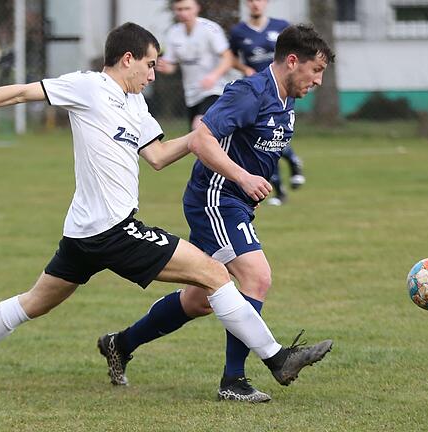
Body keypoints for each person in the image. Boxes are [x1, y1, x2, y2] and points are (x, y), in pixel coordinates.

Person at [0, 22, 333, 393]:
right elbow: (23, 91)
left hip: (83, 233)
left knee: (34, 303)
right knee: (216, 275)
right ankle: (276, 359)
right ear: (127, 59)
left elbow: (156, 156)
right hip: (112, 231)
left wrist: (201, 137)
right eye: (149, 65)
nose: (152, 75)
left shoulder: (136, 104)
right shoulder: (88, 86)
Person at [98, 24, 333, 403]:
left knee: (200, 299)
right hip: (215, 199)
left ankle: (120, 344)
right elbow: (202, 136)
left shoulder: (286, 98)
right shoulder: (250, 92)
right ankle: (234, 381)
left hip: (236, 202)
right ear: (293, 61)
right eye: (316, 70)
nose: (319, 81)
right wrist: (243, 176)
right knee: (256, 277)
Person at [230, 0, 305, 206]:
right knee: (261, 141)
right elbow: (230, 57)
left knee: (273, 138)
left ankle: (291, 165)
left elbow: (296, 55)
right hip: (256, 94)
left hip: (281, 92)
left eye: (260, 0)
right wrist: (243, 68)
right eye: (251, 0)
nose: (256, 4)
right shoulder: (238, 32)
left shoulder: (281, 27)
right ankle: (281, 187)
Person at [155, 0, 233, 130]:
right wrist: (164, 67)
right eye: (180, 9)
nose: (184, 13)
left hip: (215, 90)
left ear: (197, 8)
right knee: (196, 138)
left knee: (199, 125)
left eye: (187, 8)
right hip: (191, 93)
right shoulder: (173, 33)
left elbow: (228, 58)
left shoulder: (210, 29)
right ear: (175, 10)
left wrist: (214, 76)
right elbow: (172, 66)